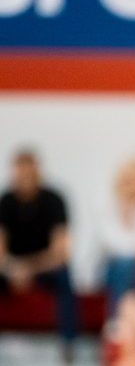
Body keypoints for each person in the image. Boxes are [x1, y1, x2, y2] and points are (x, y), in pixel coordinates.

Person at [0, 148, 78, 353]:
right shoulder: (5, 202)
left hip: (44, 269)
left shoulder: (54, 200)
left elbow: (61, 252)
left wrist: (28, 269)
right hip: (12, 269)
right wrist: (13, 269)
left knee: (64, 275)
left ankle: (68, 343)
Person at [100, 158, 135, 319]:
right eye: (129, 181)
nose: (133, 186)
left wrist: (133, 214)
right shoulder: (106, 206)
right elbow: (112, 245)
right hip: (112, 268)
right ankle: (119, 320)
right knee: (125, 265)